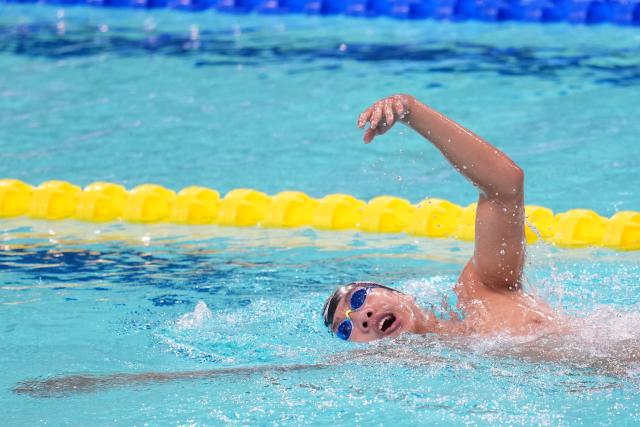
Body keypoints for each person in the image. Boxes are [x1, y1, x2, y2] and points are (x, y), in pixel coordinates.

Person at [323, 94, 559, 343]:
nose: (363, 317)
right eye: (345, 329)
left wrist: (410, 111)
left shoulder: (483, 292)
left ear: (402, 295)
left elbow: (504, 187)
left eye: (359, 299)